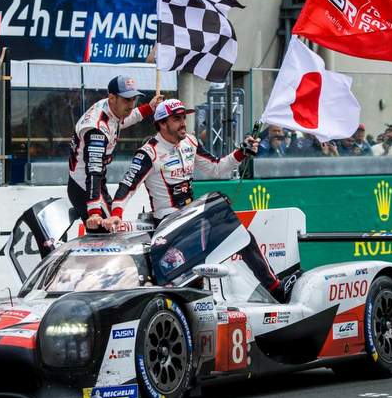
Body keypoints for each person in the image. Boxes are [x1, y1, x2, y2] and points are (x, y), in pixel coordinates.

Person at [103, 99, 293, 303]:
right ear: (162, 123)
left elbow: (216, 167)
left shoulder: (190, 142)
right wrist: (116, 214)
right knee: (193, 275)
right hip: (167, 224)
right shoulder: (149, 152)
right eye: (177, 119)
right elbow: (127, 186)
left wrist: (240, 152)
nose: (183, 122)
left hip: (193, 218)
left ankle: (276, 288)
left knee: (242, 236)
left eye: (184, 117)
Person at [67, 75, 162, 232]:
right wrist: (94, 212)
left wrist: (149, 108)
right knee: (110, 232)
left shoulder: (111, 110)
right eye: (127, 100)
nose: (131, 104)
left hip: (92, 183)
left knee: (112, 228)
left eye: (133, 99)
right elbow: (93, 171)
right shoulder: (96, 129)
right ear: (112, 98)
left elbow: (125, 119)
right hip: (85, 186)